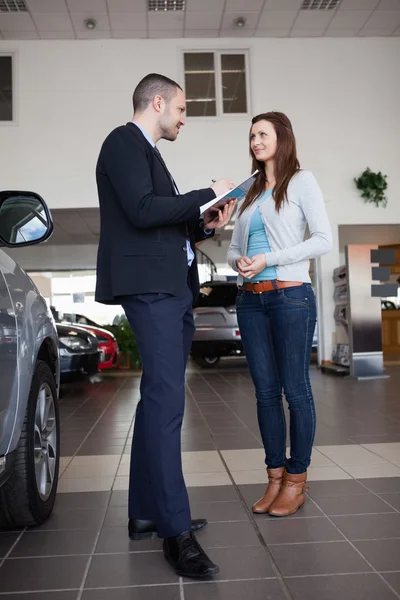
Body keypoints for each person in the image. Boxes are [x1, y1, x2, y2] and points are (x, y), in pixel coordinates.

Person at [95, 73, 235, 578]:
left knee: (159, 401)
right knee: (167, 404)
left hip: (171, 288)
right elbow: (141, 210)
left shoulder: (152, 156)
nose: (183, 117)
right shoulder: (122, 142)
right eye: (181, 108)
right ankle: (175, 532)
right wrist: (207, 191)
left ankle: (146, 513)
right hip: (151, 289)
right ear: (158, 102)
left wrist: (205, 221)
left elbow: (165, 219)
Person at [227, 112, 332, 517]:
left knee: (295, 390)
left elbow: (322, 240)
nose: (255, 140)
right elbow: (234, 248)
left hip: (290, 297)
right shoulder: (251, 191)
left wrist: (268, 258)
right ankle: (274, 478)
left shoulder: (301, 181)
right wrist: (240, 263)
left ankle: (296, 481)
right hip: (250, 299)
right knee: (266, 392)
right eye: (252, 135)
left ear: (281, 138)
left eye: (262, 134)